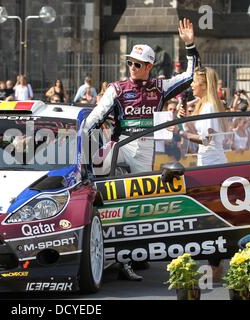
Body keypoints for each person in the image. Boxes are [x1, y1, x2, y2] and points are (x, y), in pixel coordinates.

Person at [85, 18, 199, 281]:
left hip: (146, 147)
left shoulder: (160, 87)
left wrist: (190, 45)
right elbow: (95, 117)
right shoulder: (117, 88)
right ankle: (91, 232)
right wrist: (79, 137)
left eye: (137, 64)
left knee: (136, 204)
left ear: (149, 66)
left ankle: (128, 259)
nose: (132, 67)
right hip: (120, 143)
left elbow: (190, 76)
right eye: (129, 63)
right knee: (97, 179)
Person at [176, 67, 227, 166]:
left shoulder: (209, 107)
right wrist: (184, 119)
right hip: (206, 161)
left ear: (203, 86)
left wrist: (179, 132)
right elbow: (197, 133)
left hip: (213, 163)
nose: (191, 85)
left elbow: (205, 140)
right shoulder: (204, 105)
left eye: (194, 81)